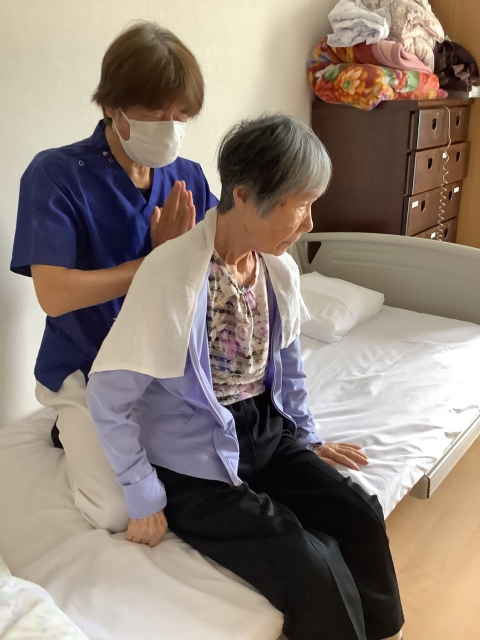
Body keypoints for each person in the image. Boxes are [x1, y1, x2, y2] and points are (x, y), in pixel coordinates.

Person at [86, 114, 404, 640]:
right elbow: (106, 396)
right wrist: (142, 494)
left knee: (360, 514)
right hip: (193, 463)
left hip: (264, 432)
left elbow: (289, 365)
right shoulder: (172, 275)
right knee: (312, 561)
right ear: (244, 195)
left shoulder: (278, 270)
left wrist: (306, 437)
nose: (309, 223)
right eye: (300, 204)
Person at [10, 21, 218, 532]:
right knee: (116, 510)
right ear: (111, 106)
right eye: (155, 113)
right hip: (86, 364)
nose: (170, 126)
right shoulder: (56, 175)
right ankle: (67, 424)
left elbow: (218, 256)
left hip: (157, 359)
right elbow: (55, 295)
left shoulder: (187, 176)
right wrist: (156, 262)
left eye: (181, 115)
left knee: (216, 457)